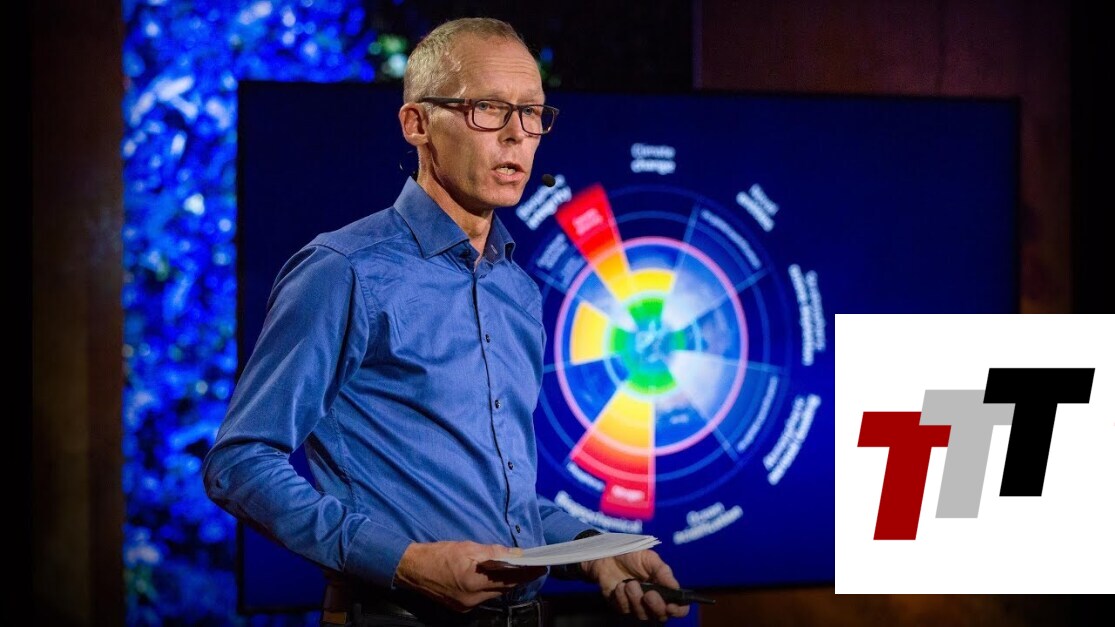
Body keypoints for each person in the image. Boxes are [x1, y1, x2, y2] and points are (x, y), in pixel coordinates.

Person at [203, 16, 691, 627]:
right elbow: (239, 462)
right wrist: (401, 563)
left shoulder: (517, 291)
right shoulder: (344, 270)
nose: (516, 136)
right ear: (416, 124)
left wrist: (597, 552)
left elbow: (502, 511)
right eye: (488, 109)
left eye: (532, 113)